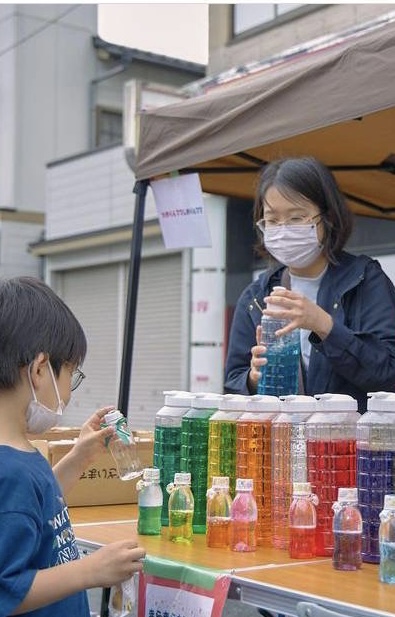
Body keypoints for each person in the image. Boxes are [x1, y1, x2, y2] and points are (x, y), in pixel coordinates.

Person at [0, 276, 145, 616]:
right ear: (39, 369)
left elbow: (38, 510)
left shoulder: (19, 454)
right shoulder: (11, 473)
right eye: (70, 374)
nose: (67, 392)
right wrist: (91, 571)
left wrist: (79, 458)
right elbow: (6, 590)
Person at [224, 156, 395, 413]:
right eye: (272, 220)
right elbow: (232, 385)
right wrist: (252, 378)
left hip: (349, 446)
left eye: (296, 218)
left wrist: (323, 325)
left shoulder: (365, 280)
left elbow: (388, 374)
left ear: (328, 218)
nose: (282, 230)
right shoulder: (257, 297)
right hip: (280, 445)